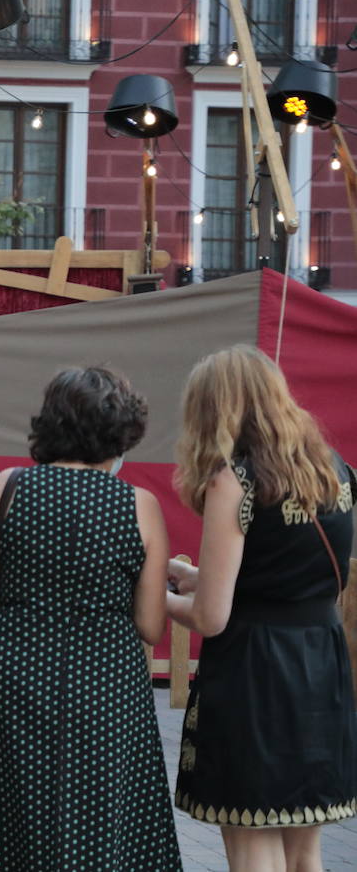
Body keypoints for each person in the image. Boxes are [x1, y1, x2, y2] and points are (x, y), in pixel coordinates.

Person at [0, 366, 180, 870]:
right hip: (106, 679)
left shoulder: (9, 487)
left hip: (14, 672)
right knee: (104, 816)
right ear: (122, 432)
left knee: (8, 815)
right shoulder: (138, 505)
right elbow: (150, 625)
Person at [167, 346, 356, 872]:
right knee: (304, 851)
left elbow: (211, 618)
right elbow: (289, 580)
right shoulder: (336, 472)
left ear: (217, 410)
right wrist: (198, 579)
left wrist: (155, 595)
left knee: (253, 836)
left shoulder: (237, 479)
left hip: (255, 673)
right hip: (321, 663)